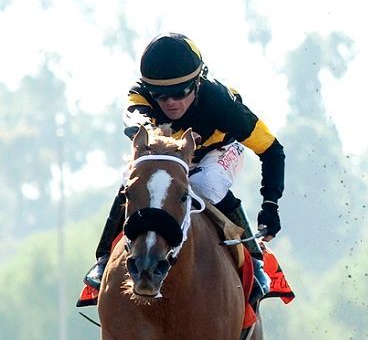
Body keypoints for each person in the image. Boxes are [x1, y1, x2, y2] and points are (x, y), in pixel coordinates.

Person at [83, 33, 284, 300]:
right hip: (168, 151)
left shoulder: (223, 105)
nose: (171, 103)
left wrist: (270, 205)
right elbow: (140, 129)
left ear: (198, 83)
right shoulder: (139, 97)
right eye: (160, 96)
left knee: (205, 185)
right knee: (132, 178)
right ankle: (103, 259)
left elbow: (272, 150)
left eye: (180, 93)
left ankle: (255, 259)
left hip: (218, 151)